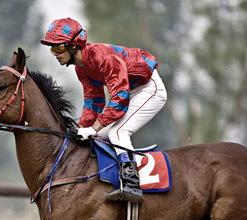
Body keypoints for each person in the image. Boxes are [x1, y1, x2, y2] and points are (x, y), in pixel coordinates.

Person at [40, 17, 167, 203]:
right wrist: (82, 127)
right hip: (130, 92)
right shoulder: (81, 68)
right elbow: (94, 100)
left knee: (118, 132)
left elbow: (119, 98)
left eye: (58, 47)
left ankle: (132, 184)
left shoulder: (102, 57)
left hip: (150, 88)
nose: (55, 53)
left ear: (74, 45)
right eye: (52, 48)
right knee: (99, 137)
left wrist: (94, 127)